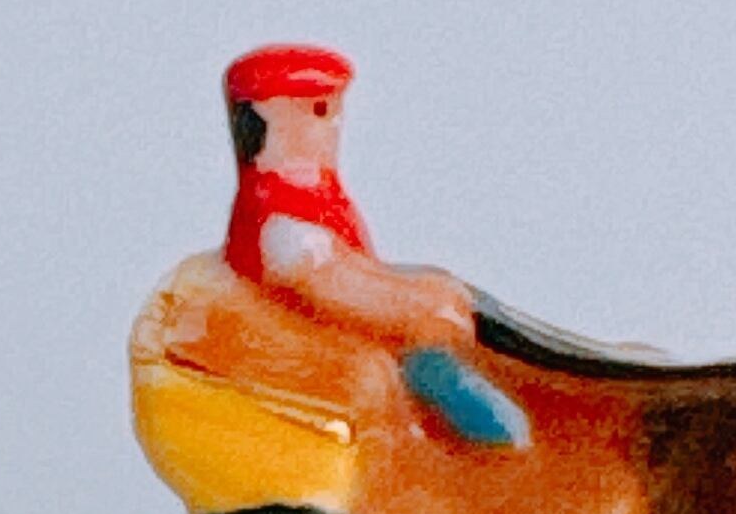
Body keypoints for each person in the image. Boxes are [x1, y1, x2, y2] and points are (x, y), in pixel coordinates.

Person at [220, 45, 530, 447]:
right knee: (427, 368)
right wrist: (423, 306)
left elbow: (354, 267)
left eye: (332, 110)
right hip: (305, 343)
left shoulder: (317, 197)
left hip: (338, 328)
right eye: (319, 111)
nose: (334, 124)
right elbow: (332, 285)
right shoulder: (281, 219)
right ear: (264, 120)